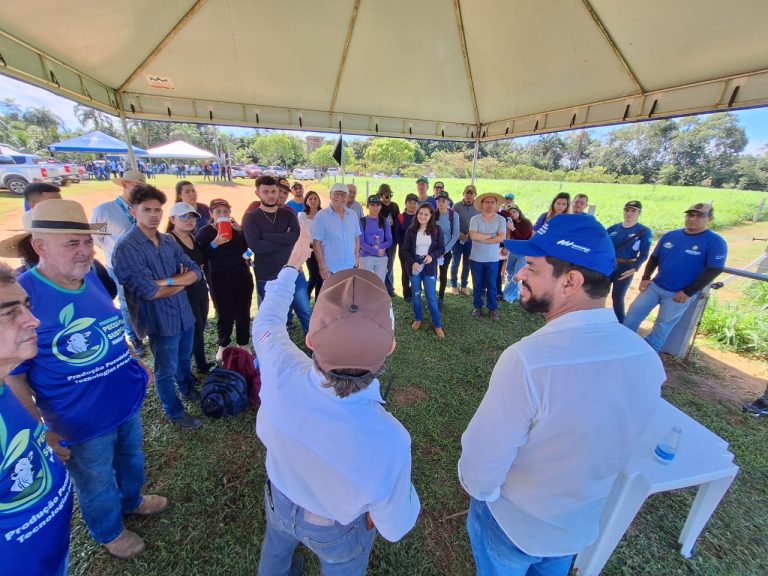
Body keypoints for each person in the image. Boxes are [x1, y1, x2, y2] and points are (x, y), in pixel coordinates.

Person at [460, 214, 665, 576]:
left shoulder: (528, 362)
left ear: (571, 280)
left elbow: (480, 467)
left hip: (514, 524)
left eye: (533, 267)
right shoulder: (646, 361)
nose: (520, 273)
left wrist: (487, 497)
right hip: (576, 527)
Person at [5, 199, 168, 559]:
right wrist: (39, 429)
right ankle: (109, 531)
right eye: (71, 243)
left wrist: (132, 361)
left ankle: (132, 499)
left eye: (86, 241)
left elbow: (108, 325)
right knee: (95, 480)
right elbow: (14, 377)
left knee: (131, 458)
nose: (84, 251)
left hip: (123, 398)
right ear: (39, 246)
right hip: (78, 419)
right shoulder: (23, 297)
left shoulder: (91, 274)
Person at [253, 235, 420, 575]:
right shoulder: (391, 439)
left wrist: (290, 267)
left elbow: (267, 321)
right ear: (389, 348)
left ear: (310, 340)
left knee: (275, 556)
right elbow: (394, 524)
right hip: (335, 529)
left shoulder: (280, 364)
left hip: (280, 501)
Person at [0, 262, 73, 575]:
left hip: (51, 558)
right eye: (9, 312)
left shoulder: (4, 387)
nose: (33, 320)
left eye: (26, 306)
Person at [113, 184, 203, 429]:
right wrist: (180, 282)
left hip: (184, 313)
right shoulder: (126, 247)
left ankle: (187, 389)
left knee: (184, 358)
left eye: (157, 210)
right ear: (133, 211)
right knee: (165, 369)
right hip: (160, 320)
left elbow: (195, 271)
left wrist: (170, 281)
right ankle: (174, 412)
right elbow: (149, 291)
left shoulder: (168, 241)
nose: (154, 215)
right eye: (147, 210)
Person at [624, 203, 727, 352]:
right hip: (656, 286)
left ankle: (648, 355)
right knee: (633, 314)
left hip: (679, 294)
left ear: (710, 219)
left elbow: (714, 269)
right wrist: (646, 277)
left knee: (662, 325)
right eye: (690, 215)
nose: (693, 219)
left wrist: (688, 292)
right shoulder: (671, 236)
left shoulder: (715, 242)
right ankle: (622, 345)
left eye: (699, 216)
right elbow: (654, 258)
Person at [242, 175, 311, 333]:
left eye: (273, 191)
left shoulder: (288, 214)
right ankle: (276, 351)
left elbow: (295, 236)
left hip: (293, 271)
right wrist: (283, 239)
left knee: (305, 312)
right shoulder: (251, 218)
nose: (271, 195)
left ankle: (316, 351)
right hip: (267, 276)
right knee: (274, 318)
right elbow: (256, 247)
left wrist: (266, 236)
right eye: (265, 192)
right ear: (257, 193)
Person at [90, 169, 146, 354]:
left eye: (143, 186)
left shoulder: (143, 209)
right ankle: (134, 337)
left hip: (143, 264)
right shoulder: (104, 210)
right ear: (125, 184)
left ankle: (146, 331)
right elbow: (96, 239)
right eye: (137, 185)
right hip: (119, 266)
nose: (140, 190)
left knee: (146, 299)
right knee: (127, 303)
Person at [197, 198, 254, 361]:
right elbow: (199, 257)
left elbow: (251, 249)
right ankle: (224, 344)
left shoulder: (237, 231)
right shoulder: (205, 232)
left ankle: (243, 343)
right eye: (218, 212)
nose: (222, 214)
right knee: (224, 313)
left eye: (225, 211)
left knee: (243, 311)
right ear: (211, 214)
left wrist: (242, 232)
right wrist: (215, 244)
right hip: (218, 278)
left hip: (242, 276)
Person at [167, 202, 214, 374]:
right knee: (190, 333)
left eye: (192, 217)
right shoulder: (169, 240)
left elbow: (200, 260)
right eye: (183, 217)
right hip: (184, 293)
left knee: (199, 328)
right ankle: (184, 373)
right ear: (172, 219)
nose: (189, 220)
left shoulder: (193, 238)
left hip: (200, 288)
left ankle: (201, 365)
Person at [401, 203, 445, 339]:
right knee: (416, 293)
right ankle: (418, 318)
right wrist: (413, 262)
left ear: (431, 215)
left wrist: (432, 256)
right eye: (420, 213)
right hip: (414, 266)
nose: (423, 216)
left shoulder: (437, 229)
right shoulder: (411, 230)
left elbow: (441, 248)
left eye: (426, 214)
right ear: (417, 214)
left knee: (431, 296)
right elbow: (404, 250)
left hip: (429, 266)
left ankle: (437, 324)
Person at [606, 200, 652, 323]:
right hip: (608, 265)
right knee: (599, 293)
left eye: (633, 211)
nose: (629, 213)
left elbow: (644, 253)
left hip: (625, 267)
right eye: (627, 210)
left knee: (617, 297)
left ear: (639, 213)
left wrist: (634, 268)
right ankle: (598, 320)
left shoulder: (644, 231)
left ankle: (621, 323)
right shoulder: (613, 228)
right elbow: (601, 244)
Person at [469, 192, 507, 321]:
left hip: (492, 259)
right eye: (487, 202)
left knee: (492, 284)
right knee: (477, 284)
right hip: (476, 258)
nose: (490, 205)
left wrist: (482, 237)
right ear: (482, 204)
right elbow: (473, 236)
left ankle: (492, 309)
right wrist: (492, 235)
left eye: (492, 202)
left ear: (496, 205)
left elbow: (501, 237)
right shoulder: (475, 219)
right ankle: (478, 307)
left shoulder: (501, 219)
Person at [313, 183, 361, 278]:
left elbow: (357, 238)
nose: (340, 197)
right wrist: (322, 265)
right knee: (332, 293)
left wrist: (356, 258)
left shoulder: (353, 215)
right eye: (336, 194)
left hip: (351, 266)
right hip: (331, 269)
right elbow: (316, 242)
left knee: (349, 293)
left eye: (343, 195)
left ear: (347, 197)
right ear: (330, 195)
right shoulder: (321, 215)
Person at [501, 205, 534, 303]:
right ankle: (513, 294)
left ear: (519, 212)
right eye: (510, 213)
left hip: (523, 252)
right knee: (509, 271)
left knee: (517, 274)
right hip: (513, 250)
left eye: (514, 212)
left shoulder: (526, 223)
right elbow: (502, 211)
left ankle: (505, 294)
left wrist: (512, 229)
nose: (512, 214)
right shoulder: (512, 222)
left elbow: (523, 238)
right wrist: (508, 215)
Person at [452, 185, 480, 296]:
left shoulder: (478, 207)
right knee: (455, 263)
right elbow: (451, 221)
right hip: (458, 240)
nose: (469, 195)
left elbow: (480, 222)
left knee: (467, 264)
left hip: (471, 240)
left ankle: (464, 286)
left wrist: (472, 233)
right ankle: (454, 286)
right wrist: (458, 233)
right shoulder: (457, 206)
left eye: (471, 193)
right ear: (463, 194)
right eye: (467, 193)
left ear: (475, 195)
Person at [358, 195, 393, 283]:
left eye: (377, 205)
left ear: (380, 206)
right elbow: (361, 242)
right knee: (365, 283)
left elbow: (389, 240)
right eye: (372, 205)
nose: (375, 207)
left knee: (379, 284)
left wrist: (380, 247)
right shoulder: (362, 221)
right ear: (368, 206)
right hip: (366, 257)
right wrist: (375, 251)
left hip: (381, 257)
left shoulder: (385, 222)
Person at [435, 190, 460, 308]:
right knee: (431, 275)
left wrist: (444, 250)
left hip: (445, 252)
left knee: (443, 275)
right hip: (432, 252)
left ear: (448, 202)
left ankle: (440, 299)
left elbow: (455, 235)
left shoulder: (453, 215)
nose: (441, 203)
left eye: (443, 201)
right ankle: (431, 298)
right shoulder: (433, 214)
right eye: (438, 201)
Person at [394, 193, 419, 302]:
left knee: (417, 271)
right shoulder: (401, 217)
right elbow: (397, 235)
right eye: (409, 203)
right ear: (405, 204)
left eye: (414, 203)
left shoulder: (420, 216)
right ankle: (407, 294)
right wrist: (405, 247)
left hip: (418, 250)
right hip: (404, 250)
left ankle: (417, 292)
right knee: (405, 272)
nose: (412, 205)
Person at [298, 190, 323, 300]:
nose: (313, 201)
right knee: (314, 276)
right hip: (310, 249)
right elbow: (301, 233)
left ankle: (318, 301)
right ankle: (305, 299)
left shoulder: (324, 214)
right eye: (310, 199)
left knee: (322, 276)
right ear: (306, 201)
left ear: (318, 200)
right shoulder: (302, 215)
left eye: (315, 198)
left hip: (323, 249)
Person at [378, 184, 400, 297]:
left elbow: (399, 220)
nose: (388, 198)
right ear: (380, 196)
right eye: (386, 196)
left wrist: (393, 223)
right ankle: (382, 288)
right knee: (380, 265)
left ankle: (390, 289)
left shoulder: (395, 206)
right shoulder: (377, 206)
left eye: (390, 195)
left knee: (389, 265)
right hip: (380, 241)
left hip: (392, 240)